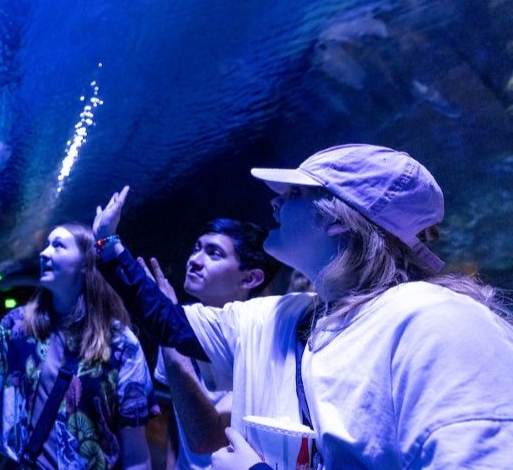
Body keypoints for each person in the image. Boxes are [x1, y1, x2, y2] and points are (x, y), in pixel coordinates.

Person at [93, 144, 513, 468]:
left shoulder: (435, 323)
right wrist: (107, 245)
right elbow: (171, 323)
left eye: (293, 193)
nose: (274, 203)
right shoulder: (284, 316)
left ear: (337, 217)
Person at [0, 223, 154, 469]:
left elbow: (136, 453)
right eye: (46, 244)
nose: (44, 252)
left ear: (85, 264)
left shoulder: (121, 344)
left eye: (58, 246)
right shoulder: (14, 326)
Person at [142, 219, 280, 469]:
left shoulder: (258, 338)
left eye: (213, 253)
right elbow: (176, 415)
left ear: (249, 279)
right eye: (196, 248)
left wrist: (167, 327)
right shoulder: (181, 316)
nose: (194, 260)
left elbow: (207, 437)